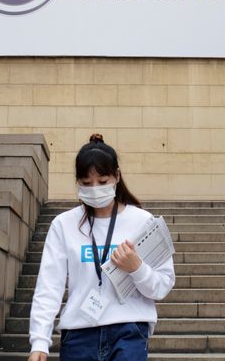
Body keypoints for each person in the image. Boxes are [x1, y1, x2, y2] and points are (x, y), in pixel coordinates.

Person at [28, 134, 175, 361]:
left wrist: (136, 267)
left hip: (129, 330)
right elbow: (49, 286)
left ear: (116, 176)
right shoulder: (63, 225)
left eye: (103, 181)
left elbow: (162, 285)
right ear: (77, 182)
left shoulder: (143, 222)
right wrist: (39, 341)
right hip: (79, 335)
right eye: (86, 184)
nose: (94, 189)